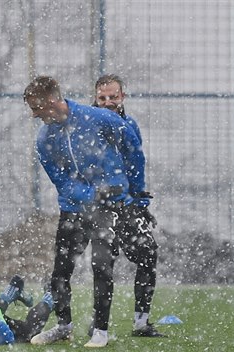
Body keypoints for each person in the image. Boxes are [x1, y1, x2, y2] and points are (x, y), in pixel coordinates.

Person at [23, 76, 145, 348]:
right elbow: (61, 181)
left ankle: (100, 331)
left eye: (36, 108)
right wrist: (89, 197)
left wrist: (134, 192)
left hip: (108, 207)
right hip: (73, 209)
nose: (33, 115)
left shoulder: (98, 118)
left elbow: (133, 148)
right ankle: (63, 325)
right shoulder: (45, 139)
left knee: (101, 266)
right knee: (60, 270)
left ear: (52, 102)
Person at [93, 74, 164, 337]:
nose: (108, 102)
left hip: (128, 204)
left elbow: (136, 168)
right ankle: (98, 325)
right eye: (103, 98)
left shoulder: (130, 125)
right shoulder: (86, 126)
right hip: (98, 206)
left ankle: (141, 323)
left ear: (123, 96)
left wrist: (141, 203)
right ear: (95, 99)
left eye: (113, 96)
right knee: (102, 264)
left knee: (147, 253)